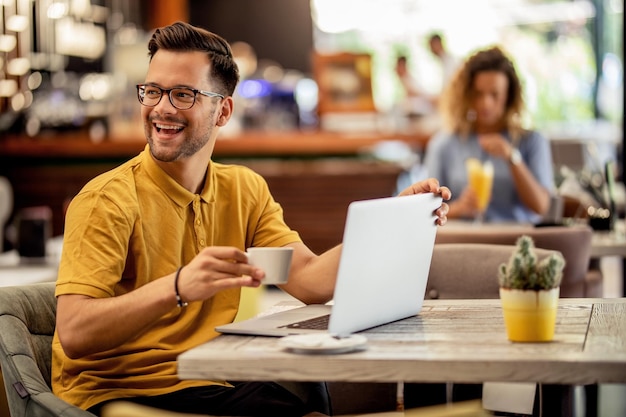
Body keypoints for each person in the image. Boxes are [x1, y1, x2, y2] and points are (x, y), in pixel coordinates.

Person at [51, 21, 451, 417]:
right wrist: (178, 287)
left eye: (183, 94)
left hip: (211, 379)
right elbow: (74, 332)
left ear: (222, 110)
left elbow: (310, 281)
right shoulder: (107, 199)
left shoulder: (243, 189)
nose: (162, 108)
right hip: (123, 393)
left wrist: (396, 216)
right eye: (153, 91)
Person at [423, 45, 554, 224]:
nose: (486, 104)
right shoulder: (443, 144)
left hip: (516, 242)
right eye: (478, 94)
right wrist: (459, 208)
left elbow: (541, 206)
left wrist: (511, 157)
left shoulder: (531, 141)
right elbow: (426, 213)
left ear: (509, 96)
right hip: (462, 241)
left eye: (495, 94)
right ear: (466, 95)